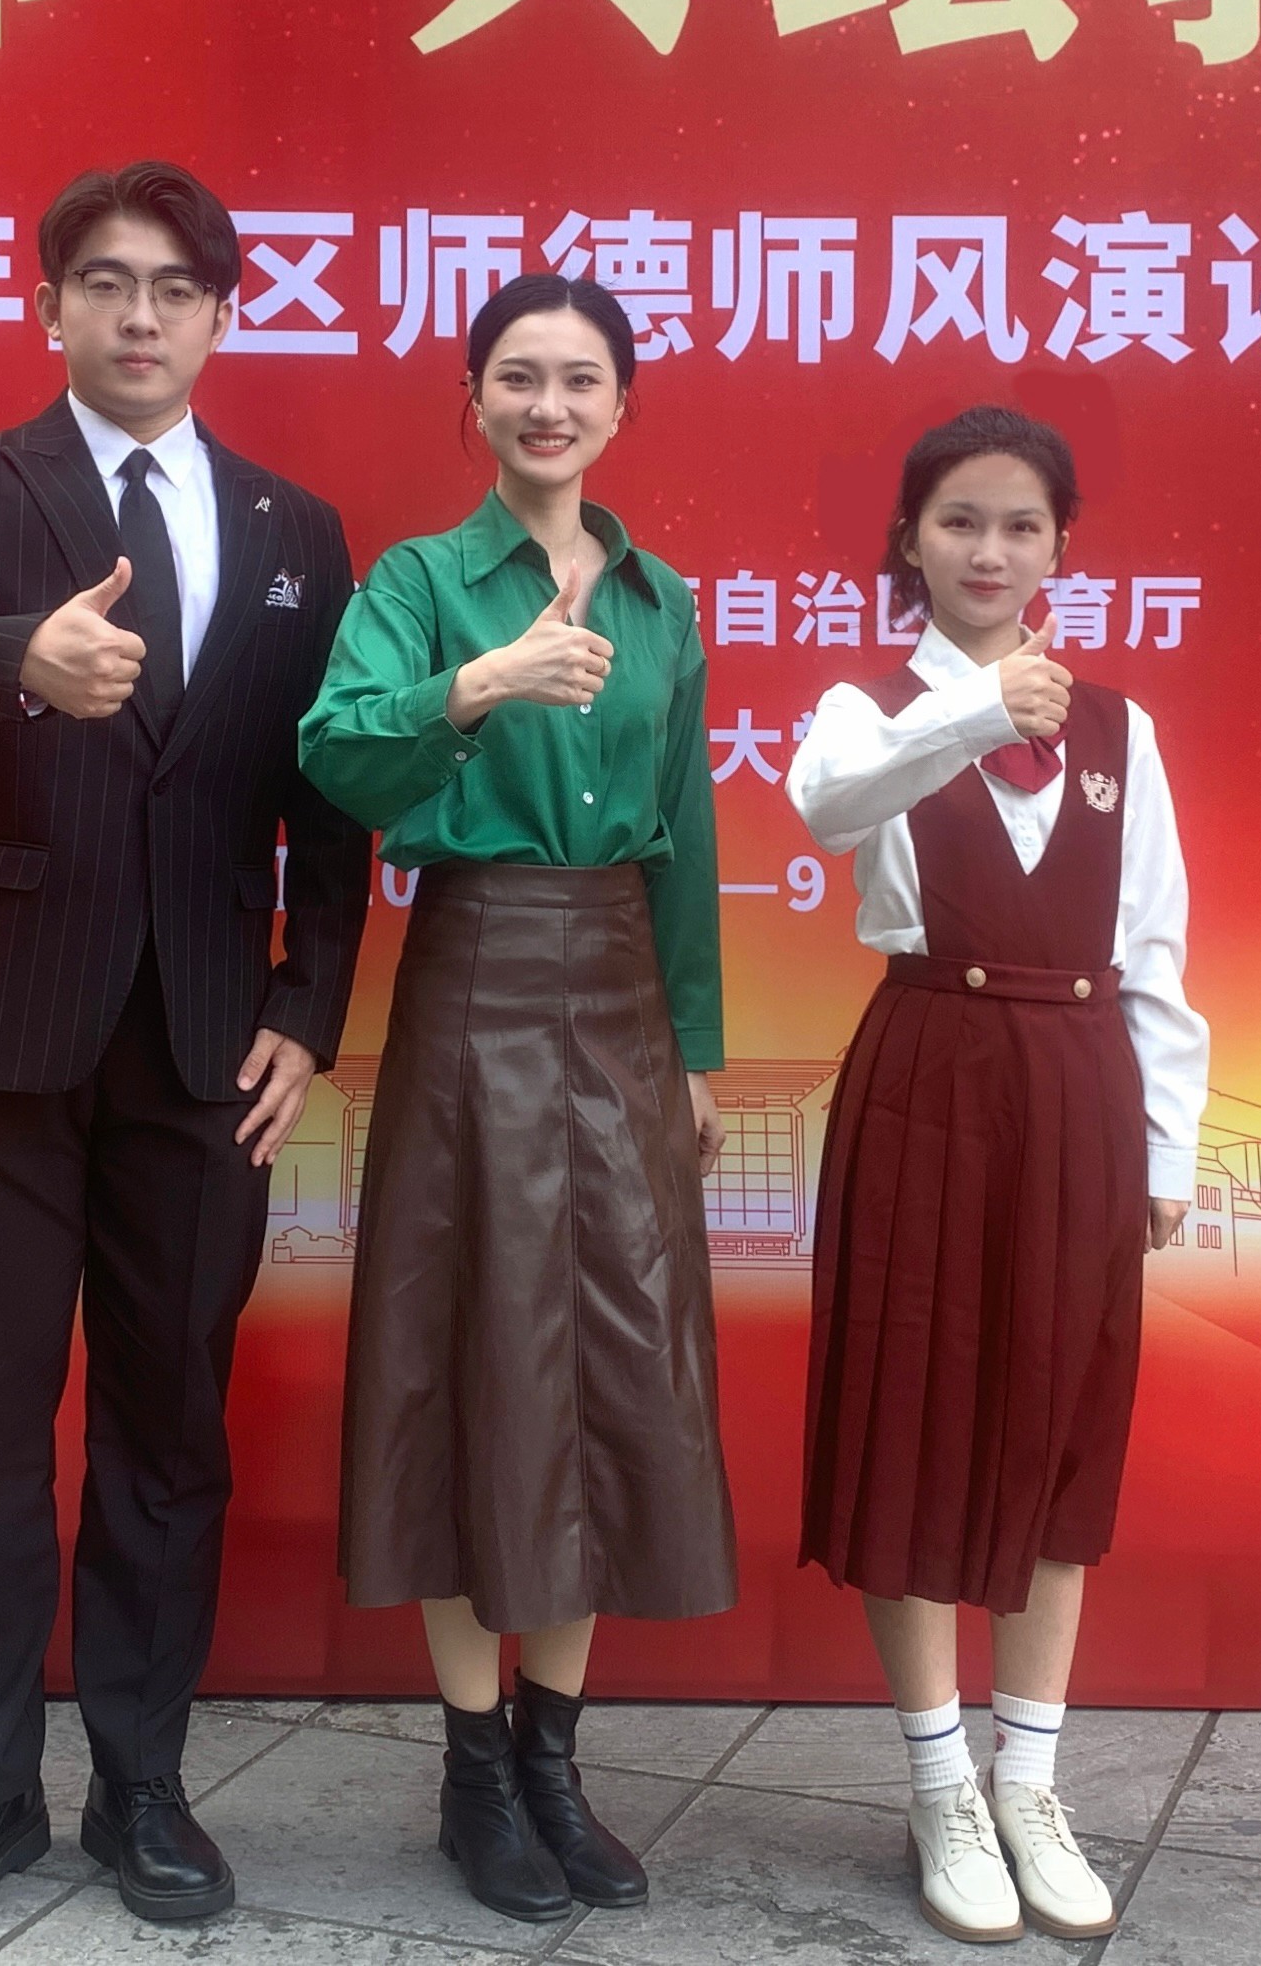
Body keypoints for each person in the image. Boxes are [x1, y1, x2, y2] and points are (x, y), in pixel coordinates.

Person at [0, 159, 372, 1941]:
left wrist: (306, 1008)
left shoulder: (295, 527)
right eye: (108, 282)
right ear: (47, 301)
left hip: (205, 1052)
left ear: (221, 315)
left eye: (176, 288)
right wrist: (13, 655)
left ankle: (142, 1783)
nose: (142, 316)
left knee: (165, 1430)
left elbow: (329, 791)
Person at [296, 271, 737, 1925]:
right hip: (475, 969)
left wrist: (694, 1046)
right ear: (473, 399)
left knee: (612, 1369)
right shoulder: (419, 581)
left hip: (619, 987)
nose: (548, 406)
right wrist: (475, 684)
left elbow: (686, 835)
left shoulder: (662, 601)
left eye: (579, 379)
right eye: (517, 377)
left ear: (621, 404)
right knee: (471, 1353)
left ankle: (555, 1761)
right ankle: (473, 1773)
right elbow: (337, 751)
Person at [783, 405, 1208, 1945]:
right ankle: (938, 1781)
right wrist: (973, 711)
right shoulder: (866, 709)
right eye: (959, 520)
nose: (989, 550)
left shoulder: (1120, 731)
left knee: (1054, 1421)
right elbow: (826, 804)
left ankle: (1029, 1778)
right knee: (913, 1417)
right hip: (928, 1078)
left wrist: (1164, 1143)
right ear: (909, 540)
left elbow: (1153, 944)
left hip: (1078, 1085)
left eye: (1021, 524)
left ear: (1059, 548)